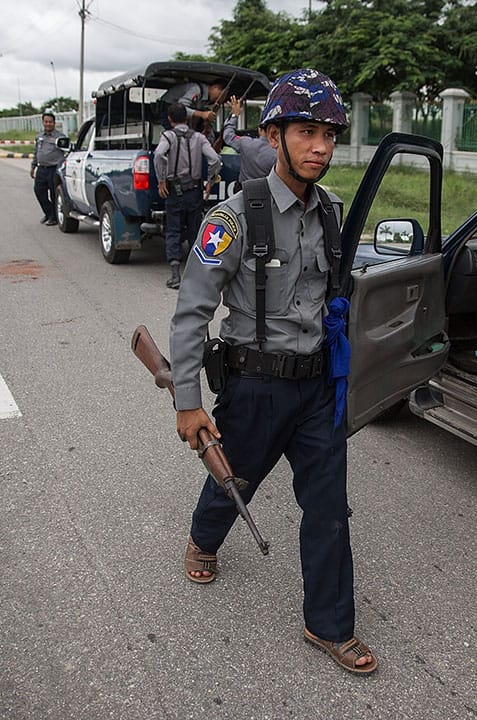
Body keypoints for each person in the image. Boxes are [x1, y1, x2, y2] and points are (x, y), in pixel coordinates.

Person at [169, 69, 377, 675]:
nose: (321, 147)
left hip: (316, 390)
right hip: (255, 387)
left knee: (328, 508)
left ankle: (329, 625)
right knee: (235, 481)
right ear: (272, 134)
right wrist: (188, 402)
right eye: (307, 132)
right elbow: (190, 315)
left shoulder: (333, 212)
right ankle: (204, 539)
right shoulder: (231, 219)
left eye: (330, 135)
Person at [153, 103, 222, 289]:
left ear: (169, 119)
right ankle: (196, 276)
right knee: (195, 231)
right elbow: (215, 159)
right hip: (195, 191)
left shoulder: (168, 136)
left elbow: (159, 154)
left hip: (174, 191)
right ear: (187, 118)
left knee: (173, 230)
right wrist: (210, 182)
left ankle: (175, 276)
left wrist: (161, 180)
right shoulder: (199, 137)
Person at [221, 95, 277, 184]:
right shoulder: (279, 152)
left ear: (259, 129)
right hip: (267, 191)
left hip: (245, 190)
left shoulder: (245, 143)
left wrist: (234, 115)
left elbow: (228, 135)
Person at [30, 112, 68, 226]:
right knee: (38, 191)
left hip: (54, 169)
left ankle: (54, 217)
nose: (48, 124)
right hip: (42, 168)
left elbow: (68, 150)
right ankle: (49, 213)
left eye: (50, 122)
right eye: (46, 122)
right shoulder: (39, 136)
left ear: (54, 123)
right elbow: (36, 152)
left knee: (53, 193)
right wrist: (33, 166)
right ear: (43, 122)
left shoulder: (60, 137)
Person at [161, 81, 227, 134]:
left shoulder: (206, 100)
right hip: (168, 108)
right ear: (215, 88)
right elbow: (181, 108)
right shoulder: (196, 90)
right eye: (220, 95)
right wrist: (202, 114)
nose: (218, 98)